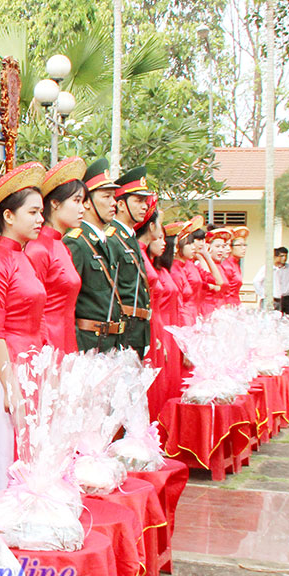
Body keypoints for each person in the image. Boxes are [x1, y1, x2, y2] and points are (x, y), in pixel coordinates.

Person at [0, 161, 47, 490]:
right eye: (33, 212)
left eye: (41, 212)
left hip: (31, 364)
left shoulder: (25, 257)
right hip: (7, 366)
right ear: (8, 216)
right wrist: (10, 384)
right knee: (5, 453)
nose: (40, 219)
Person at [26, 157, 85, 353]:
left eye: (83, 201)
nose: (82, 208)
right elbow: (31, 309)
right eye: (76, 201)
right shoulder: (38, 249)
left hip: (66, 340)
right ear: (55, 203)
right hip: (46, 345)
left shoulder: (61, 246)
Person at [64, 157, 123, 351]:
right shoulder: (76, 242)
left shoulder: (106, 242)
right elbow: (67, 304)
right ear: (87, 203)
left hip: (110, 342)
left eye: (113, 197)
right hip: (88, 344)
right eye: (106, 197)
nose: (113, 203)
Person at [107, 166, 154, 357]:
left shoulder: (130, 238)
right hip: (124, 329)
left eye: (146, 201)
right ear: (120, 205)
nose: (145, 206)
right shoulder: (112, 238)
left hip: (138, 329)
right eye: (139, 200)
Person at [141, 207, 183, 418]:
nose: (163, 240)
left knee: (164, 385)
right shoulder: (141, 256)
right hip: (154, 326)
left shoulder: (158, 267)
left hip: (163, 326)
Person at [254, 246, 289, 317]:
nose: (284, 258)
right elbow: (256, 282)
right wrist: (263, 295)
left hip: (287, 298)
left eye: (286, 256)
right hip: (274, 299)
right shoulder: (267, 268)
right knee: (274, 320)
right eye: (281, 256)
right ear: (275, 257)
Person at [198, 227, 233, 313]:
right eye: (217, 246)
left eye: (223, 246)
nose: (221, 250)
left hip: (221, 309)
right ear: (208, 247)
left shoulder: (221, 267)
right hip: (207, 308)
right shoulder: (202, 265)